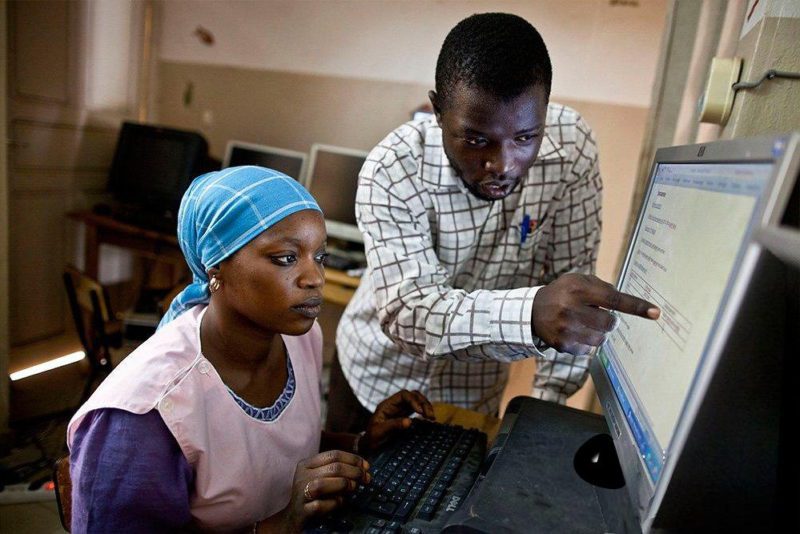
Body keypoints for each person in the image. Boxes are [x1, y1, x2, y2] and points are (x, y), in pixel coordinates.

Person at [329, 13, 659, 432]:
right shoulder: (392, 170)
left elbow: (573, 288)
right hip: (374, 381)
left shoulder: (571, 148)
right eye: (476, 139)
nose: (502, 165)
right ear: (438, 111)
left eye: (525, 138)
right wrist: (530, 313)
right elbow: (411, 314)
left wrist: (544, 411)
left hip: (472, 397)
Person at [66, 166, 435, 533]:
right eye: (286, 258)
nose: (315, 278)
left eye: (319, 257)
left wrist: (362, 442)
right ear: (215, 268)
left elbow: (266, 449)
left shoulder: (301, 338)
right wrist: (279, 525)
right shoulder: (142, 416)